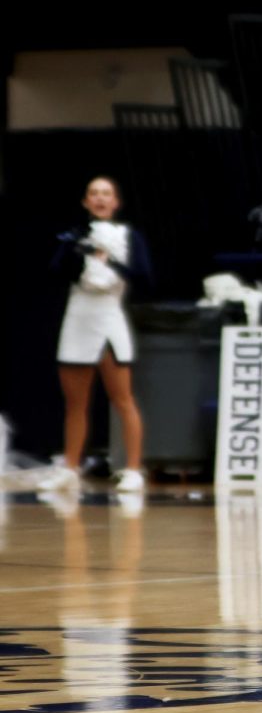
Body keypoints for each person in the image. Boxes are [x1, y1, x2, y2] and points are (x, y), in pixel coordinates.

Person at [38, 176, 152, 494]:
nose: (100, 199)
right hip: (79, 315)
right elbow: (57, 271)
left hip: (110, 315)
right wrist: (75, 248)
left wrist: (110, 259)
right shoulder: (75, 236)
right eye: (94, 194)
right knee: (76, 403)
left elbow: (144, 277)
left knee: (123, 398)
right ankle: (71, 468)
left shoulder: (129, 236)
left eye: (106, 193)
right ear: (86, 202)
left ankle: (132, 468)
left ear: (116, 201)